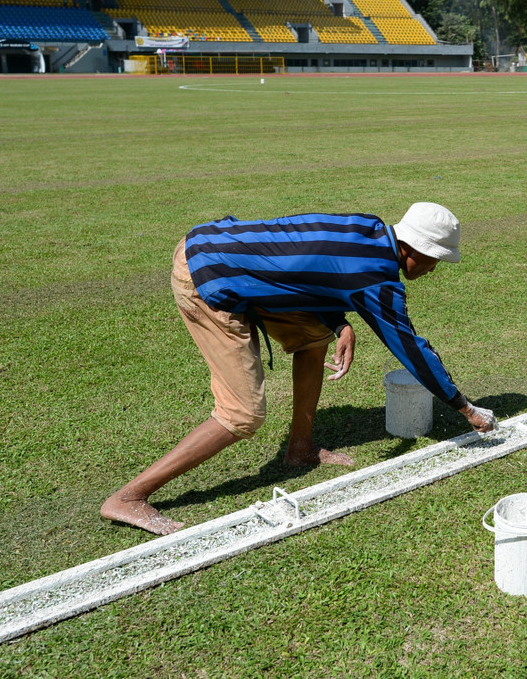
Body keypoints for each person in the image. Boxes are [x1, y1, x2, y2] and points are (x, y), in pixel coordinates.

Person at [101, 202, 497, 535]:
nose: (433, 268)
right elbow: (410, 348)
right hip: (208, 276)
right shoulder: (376, 278)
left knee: (313, 337)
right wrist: (465, 408)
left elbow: (305, 267)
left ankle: (301, 448)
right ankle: (129, 497)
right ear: (412, 249)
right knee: (242, 413)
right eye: (434, 258)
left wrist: (339, 324)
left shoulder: (369, 229)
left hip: (217, 247)